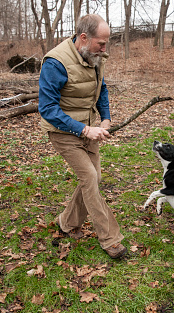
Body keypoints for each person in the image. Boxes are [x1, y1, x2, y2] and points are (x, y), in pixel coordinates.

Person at [38, 14, 126, 259]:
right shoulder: (56, 62)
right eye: (101, 43)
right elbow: (47, 109)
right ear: (84, 38)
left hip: (89, 130)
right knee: (89, 176)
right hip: (63, 131)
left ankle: (66, 223)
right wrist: (85, 130)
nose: (105, 48)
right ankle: (110, 239)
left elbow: (102, 88)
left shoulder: (94, 55)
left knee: (94, 178)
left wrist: (105, 118)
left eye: (107, 43)